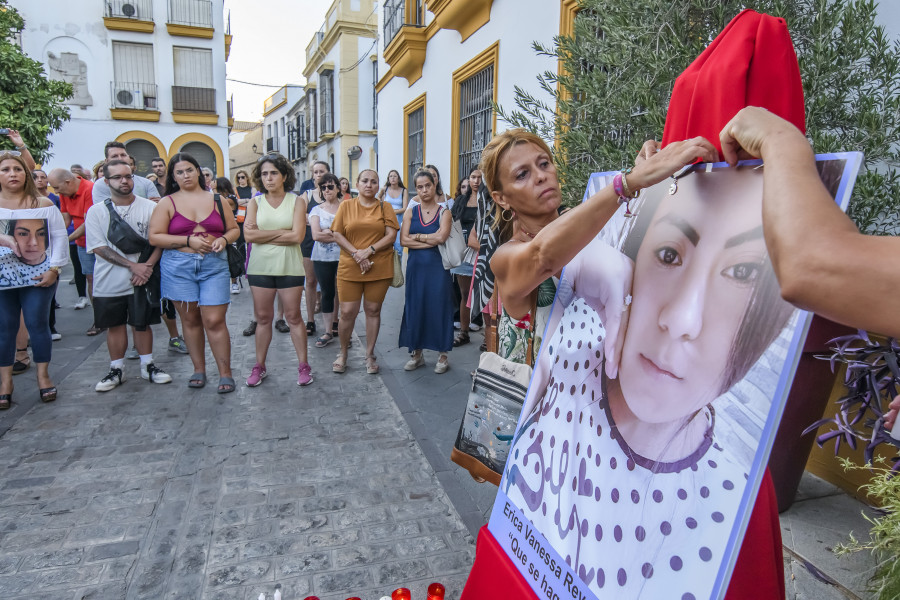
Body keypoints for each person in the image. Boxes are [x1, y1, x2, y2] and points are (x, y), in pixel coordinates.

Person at [148, 152, 239, 394]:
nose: (185, 175)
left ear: (198, 171)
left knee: (214, 320)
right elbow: (155, 236)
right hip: (178, 266)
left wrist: (223, 239)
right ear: (173, 177)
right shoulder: (168, 202)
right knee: (190, 320)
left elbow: (234, 230)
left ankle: (225, 373)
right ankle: (198, 369)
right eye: (179, 172)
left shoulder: (218, 200)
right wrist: (187, 240)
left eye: (189, 169)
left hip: (214, 265)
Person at [85, 160, 172, 391]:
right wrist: (134, 267)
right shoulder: (96, 211)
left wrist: (148, 267)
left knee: (142, 323)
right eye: (117, 177)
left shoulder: (150, 207)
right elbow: (99, 248)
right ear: (106, 181)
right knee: (114, 325)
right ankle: (117, 369)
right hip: (109, 278)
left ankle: (148, 365)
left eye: (128, 176)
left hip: (143, 277)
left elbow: (159, 241)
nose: (124, 181)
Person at [0, 152, 68, 408]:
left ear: (25, 173)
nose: (12, 174)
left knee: (38, 324)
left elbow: (59, 237)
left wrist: (54, 269)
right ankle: (5, 383)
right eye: (5, 169)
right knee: (4, 328)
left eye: (17, 169)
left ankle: (43, 376)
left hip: (39, 275)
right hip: (2, 280)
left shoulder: (42, 204)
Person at [242, 153, 312, 388]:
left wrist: (264, 235)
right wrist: (283, 232)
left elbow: (298, 237)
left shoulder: (297, 201)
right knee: (263, 318)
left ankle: (303, 366)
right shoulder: (255, 202)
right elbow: (248, 236)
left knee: (293, 317)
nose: (269, 178)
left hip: (290, 267)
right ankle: (259, 366)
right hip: (260, 267)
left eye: (273, 173)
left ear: (284, 175)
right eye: (264, 174)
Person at [330, 169, 399, 374]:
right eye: (365, 181)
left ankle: (369, 354)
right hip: (350, 266)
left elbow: (391, 235)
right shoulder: (346, 206)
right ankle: (343, 353)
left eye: (374, 181)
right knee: (347, 312)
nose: (369, 185)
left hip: (378, 265)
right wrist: (357, 255)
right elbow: (337, 234)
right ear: (357, 184)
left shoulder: (384, 207)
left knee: (372, 310)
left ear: (379, 186)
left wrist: (369, 251)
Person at [399, 170, 454, 373]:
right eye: (420, 187)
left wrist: (418, 238)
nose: (424, 190)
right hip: (416, 269)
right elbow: (404, 241)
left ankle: (443, 355)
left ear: (434, 185)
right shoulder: (410, 212)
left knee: (439, 307)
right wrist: (428, 239)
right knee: (416, 307)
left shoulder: (444, 212)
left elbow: (442, 238)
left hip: (438, 269)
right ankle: (417, 354)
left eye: (427, 186)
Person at [50, 167, 103, 335]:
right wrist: (52, 237)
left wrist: (65, 240)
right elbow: (65, 219)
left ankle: (114, 315)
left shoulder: (90, 189)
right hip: (82, 244)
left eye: (57, 188)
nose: (56, 192)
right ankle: (99, 319)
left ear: (68, 182)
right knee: (90, 279)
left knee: (105, 279)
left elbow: (89, 223)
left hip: (99, 241)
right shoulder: (65, 192)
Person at [449, 167, 485, 347]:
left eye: (479, 177)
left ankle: (488, 337)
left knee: (484, 293)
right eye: (473, 177)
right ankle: (464, 332)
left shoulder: (489, 200)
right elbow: (452, 222)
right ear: (468, 180)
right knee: (464, 293)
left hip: (482, 247)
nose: (476, 181)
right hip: (463, 249)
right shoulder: (461, 200)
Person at [309, 173, 343, 347]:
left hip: (344, 257)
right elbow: (315, 235)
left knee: (344, 294)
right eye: (323, 187)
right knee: (328, 293)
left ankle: (343, 330)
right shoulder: (316, 210)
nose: (327, 190)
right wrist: (337, 235)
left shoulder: (346, 207)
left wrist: (329, 233)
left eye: (330, 186)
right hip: (322, 258)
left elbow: (350, 233)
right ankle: (328, 331)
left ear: (338, 188)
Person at [298, 160, 329, 336]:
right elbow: (300, 217)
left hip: (329, 244)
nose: (318, 175)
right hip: (309, 242)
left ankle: (332, 321)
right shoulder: (307, 195)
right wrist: (319, 220)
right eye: (315, 172)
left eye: (322, 171)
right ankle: (310, 320)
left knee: (330, 284)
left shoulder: (334, 195)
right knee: (310, 281)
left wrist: (313, 219)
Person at [32, 169, 63, 341]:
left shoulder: (50, 201)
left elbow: (59, 232)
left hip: (44, 257)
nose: (40, 181)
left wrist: (55, 266)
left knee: (45, 298)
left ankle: (50, 327)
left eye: (44, 177)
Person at [90, 142, 160, 203]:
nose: (120, 159)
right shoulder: (100, 185)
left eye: (123, 155)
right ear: (107, 161)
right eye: (115, 156)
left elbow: (155, 209)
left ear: (128, 157)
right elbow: (106, 212)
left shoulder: (147, 183)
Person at [216, 177, 242, 295]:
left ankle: (234, 282)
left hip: (230, 230)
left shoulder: (229, 199)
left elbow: (217, 205)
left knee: (231, 257)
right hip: (221, 230)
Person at [377, 169, 408, 253]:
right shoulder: (385, 189)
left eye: (395, 176)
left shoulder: (403, 191)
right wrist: (382, 206)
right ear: (388, 179)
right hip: (386, 219)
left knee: (398, 246)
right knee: (386, 245)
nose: (393, 178)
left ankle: (398, 264)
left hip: (398, 220)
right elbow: (377, 199)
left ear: (398, 178)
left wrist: (393, 212)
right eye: (391, 176)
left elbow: (405, 208)